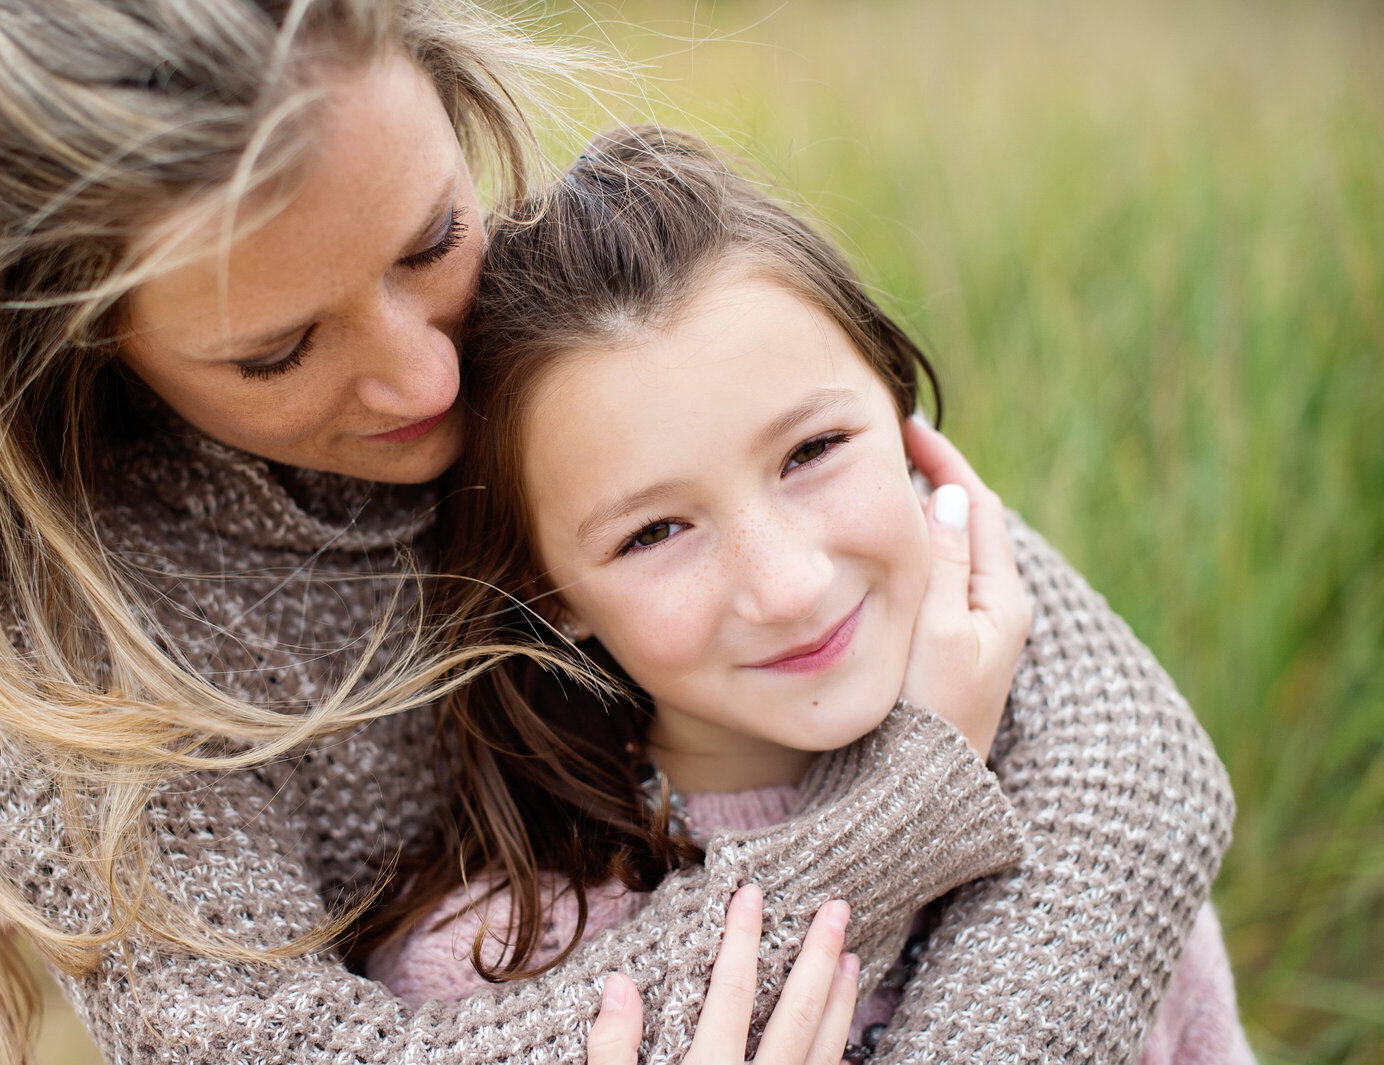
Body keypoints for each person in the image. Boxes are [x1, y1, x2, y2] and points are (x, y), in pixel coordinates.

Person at [0, 2, 1235, 1063]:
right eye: (279, 350)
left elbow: (1127, 762)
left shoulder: (570, 318)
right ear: (68, 344)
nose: (430, 374)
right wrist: (887, 831)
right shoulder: (78, 659)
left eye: (431, 239)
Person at [360, 128, 1256, 1065]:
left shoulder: (1075, 799)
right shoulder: (492, 964)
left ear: (905, 424)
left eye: (813, 451)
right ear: (552, 595)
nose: (789, 587)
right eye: (654, 532)